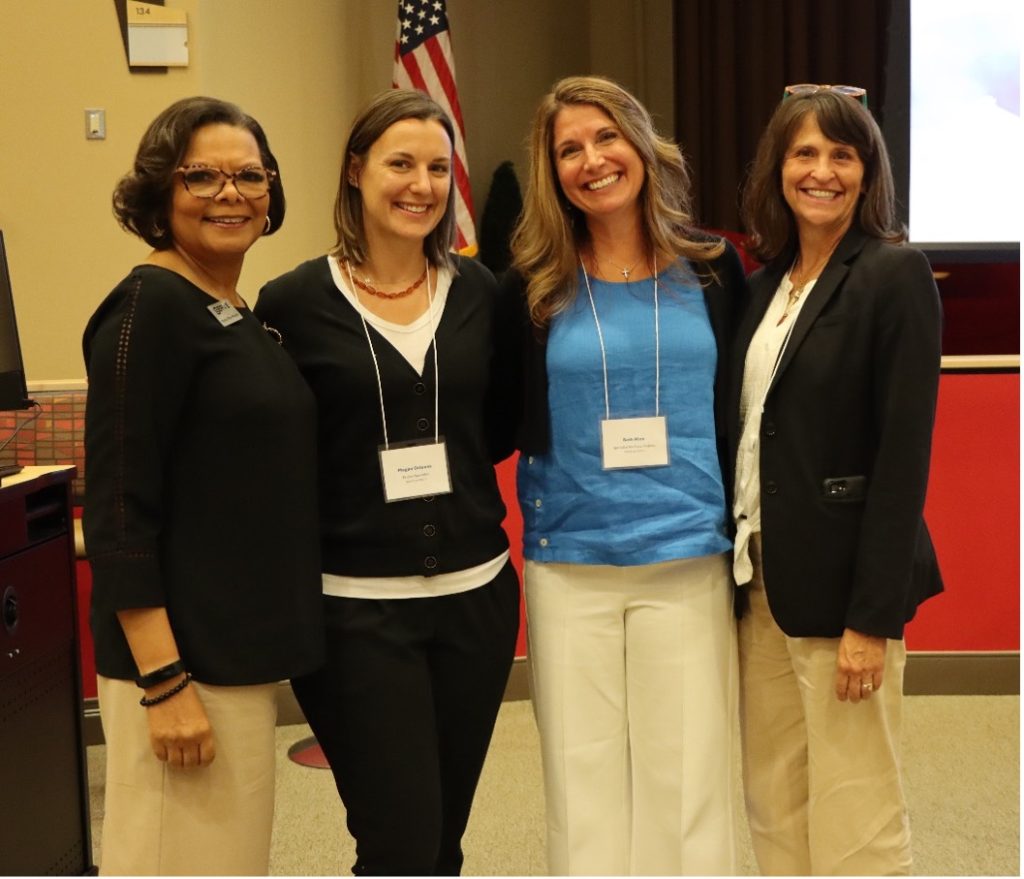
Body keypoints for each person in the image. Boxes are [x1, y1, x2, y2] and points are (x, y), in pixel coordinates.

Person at [254, 89, 520, 876]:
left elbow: (496, 428)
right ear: (356, 172)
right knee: (397, 843)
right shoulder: (293, 303)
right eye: (401, 163)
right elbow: (282, 454)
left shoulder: (483, 294)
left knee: (441, 844)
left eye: (438, 168)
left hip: (475, 603)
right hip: (353, 615)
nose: (421, 184)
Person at [503, 75, 747, 876]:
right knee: (583, 780)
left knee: (688, 782)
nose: (592, 160)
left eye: (606, 138)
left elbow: (746, 409)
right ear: (552, 172)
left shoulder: (713, 270)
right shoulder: (532, 286)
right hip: (570, 559)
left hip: (686, 553)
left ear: (642, 145)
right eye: (569, 149)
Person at [82, 97, 323, 875]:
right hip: (182, 668)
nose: (231, 193)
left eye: (249, 175)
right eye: (202, 176)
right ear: (160, 191)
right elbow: (120, 511)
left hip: (232, 659)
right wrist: (164, 682)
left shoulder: (225, 305)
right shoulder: (146, 311)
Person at [730, 84, 943, 875]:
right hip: (759, 587)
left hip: (843, 601)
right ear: (777, 170)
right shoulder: (761, 289)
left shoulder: (893, 274)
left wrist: (871, 619)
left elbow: (902, 460)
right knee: (774, 801)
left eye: (842, 155)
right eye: (804, 154)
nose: (822, 171)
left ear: (867, 171)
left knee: (857, 813)